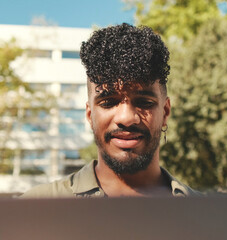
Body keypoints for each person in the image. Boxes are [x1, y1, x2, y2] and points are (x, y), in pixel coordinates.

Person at [21, 23, 198, 198]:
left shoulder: (204, 213)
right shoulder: (35, 207)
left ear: (165, 112)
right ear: (90, 115)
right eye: (108, 102)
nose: (126, 118)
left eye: (144, 102)